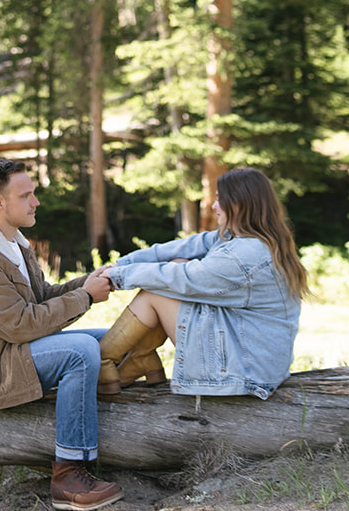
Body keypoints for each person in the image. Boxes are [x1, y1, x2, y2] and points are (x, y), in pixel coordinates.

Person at [0, 158, 123, 511]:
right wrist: (85, 297)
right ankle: (68, 475)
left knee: (112, 339)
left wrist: (85, 284)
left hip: (12, 349)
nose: (35, 202)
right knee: (81, 351)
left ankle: (112, 419)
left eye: (33, 194)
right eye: (25, 195)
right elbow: (19, 324)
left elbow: (39, 298)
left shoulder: (13, 241)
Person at [96, 167, 307, 400]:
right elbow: (182, 248)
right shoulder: (243, 238)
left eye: (220, 200)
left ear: (239, 204)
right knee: (174, 264)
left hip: (247, 369)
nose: (214, 206)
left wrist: (119, 277)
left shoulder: (245, 254)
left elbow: (184, 278)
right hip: (253, 356)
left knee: (156, 292)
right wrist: (118, 266)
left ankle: (105, 360)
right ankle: (140, 358)